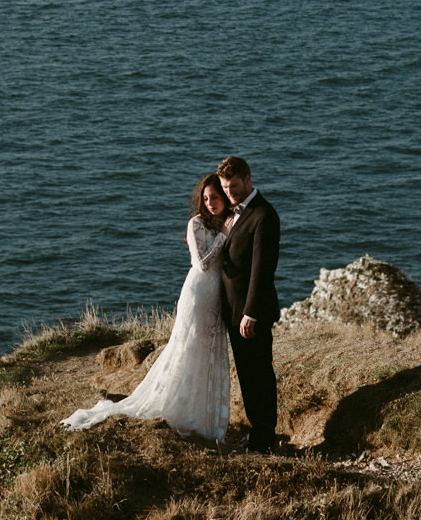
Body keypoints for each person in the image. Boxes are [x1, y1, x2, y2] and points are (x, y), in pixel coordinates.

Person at [61, 175, 234, 442]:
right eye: (207, 198)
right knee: (188, 351)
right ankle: (180, 411)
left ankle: (202, 416)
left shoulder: (227, 221)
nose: (211, 203)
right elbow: (201, 263)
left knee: (208, 355)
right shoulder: (196, 223)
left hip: (217, 297)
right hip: (198, 295)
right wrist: (223, 236)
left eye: (216, 197)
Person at [214, 155, 282, 453]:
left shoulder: (264, 215)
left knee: (259, 374)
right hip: (233, 311)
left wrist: (250, 313)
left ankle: (265, 438)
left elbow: (262, 270)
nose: (230, 192)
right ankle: (257, 433)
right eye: (226, 187)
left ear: (248, 179)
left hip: (251, 314)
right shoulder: (233, 213)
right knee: (246, 374)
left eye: (235, 186)